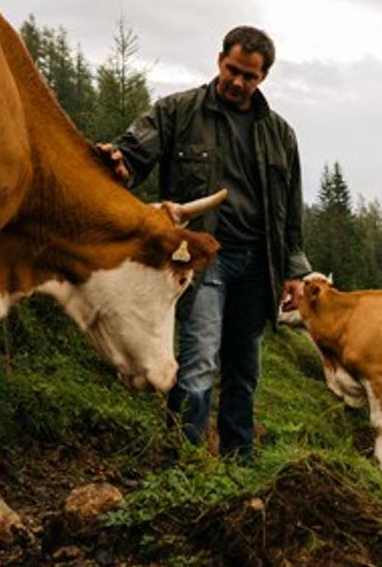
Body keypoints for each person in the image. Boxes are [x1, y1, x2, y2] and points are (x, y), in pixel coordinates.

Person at [95, 26, 310, 459]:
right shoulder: (179, 111)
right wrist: (118, 162)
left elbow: (290, 207)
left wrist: (295, 271)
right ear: (219, 61)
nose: (237, 82)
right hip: (202, 260)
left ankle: (238, 459)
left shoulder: (280, 134)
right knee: (199, 362)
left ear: (262, 77)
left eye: (249, 76)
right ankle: (184, 461)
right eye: (232, 70)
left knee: (243, 368)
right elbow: (134, 152)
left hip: (258, 264)